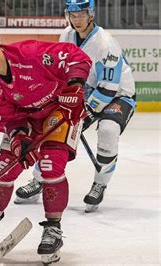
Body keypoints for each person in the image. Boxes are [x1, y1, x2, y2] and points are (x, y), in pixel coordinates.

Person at [0, 19, 91, 264]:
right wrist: (19, 138)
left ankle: (53, 228)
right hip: (26, 118)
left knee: (51, 164)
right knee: (4, 169)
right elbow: (6, 118)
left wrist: (75, 87)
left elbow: (75, 57)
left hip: (60, 110)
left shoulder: (31, 54)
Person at [14, 0, 136, 213]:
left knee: (108, 130)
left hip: (118, 95)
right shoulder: (67, 35)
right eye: (73, 14)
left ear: (91, 14)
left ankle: (100, 183)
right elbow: (63, 71)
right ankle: (40, 178)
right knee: (54, 127)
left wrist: (87, 113)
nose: (77, 19)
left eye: (81, 14)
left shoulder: (106, 44)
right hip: (86, 93)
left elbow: (108, 87)